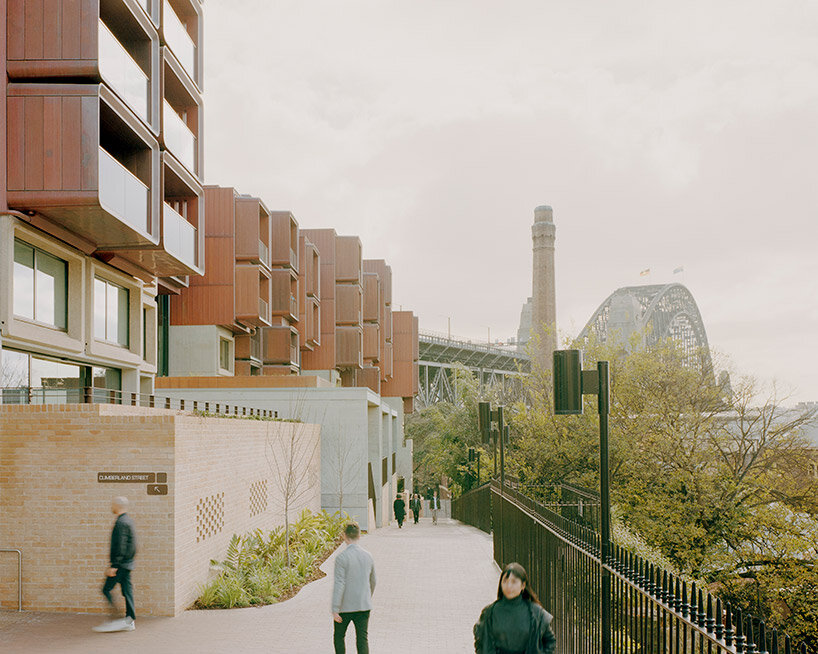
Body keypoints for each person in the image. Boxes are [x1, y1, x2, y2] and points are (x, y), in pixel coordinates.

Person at [473, 562, 556, 654]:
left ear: (523, 585)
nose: (509, 586)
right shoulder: (489, 613)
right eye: (505, 581)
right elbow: (480, 642)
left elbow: (550, 641)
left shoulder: (536, 613)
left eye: (514, 582)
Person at [92, 496, 137, 633]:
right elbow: (134, 545)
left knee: (106, 589)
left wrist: (114, 565)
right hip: (127, 564)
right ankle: (129, 619)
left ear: (117, 506)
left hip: (121, 565)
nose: (111, 507)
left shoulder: (121, 523)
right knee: (127, 591)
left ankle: (117, 620)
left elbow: (121, 546)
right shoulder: (128, 521)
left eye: (113, 505)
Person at [332, 522, 376, 654]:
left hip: (344, 607)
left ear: (344, 536)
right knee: (362, 639)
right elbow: (373, 581)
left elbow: (340, 583)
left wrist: (335, 609)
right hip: (363, 605)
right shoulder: (368, 556)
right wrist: (367, 596)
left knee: (339, 637)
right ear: (359, 536)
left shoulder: (341, 558)